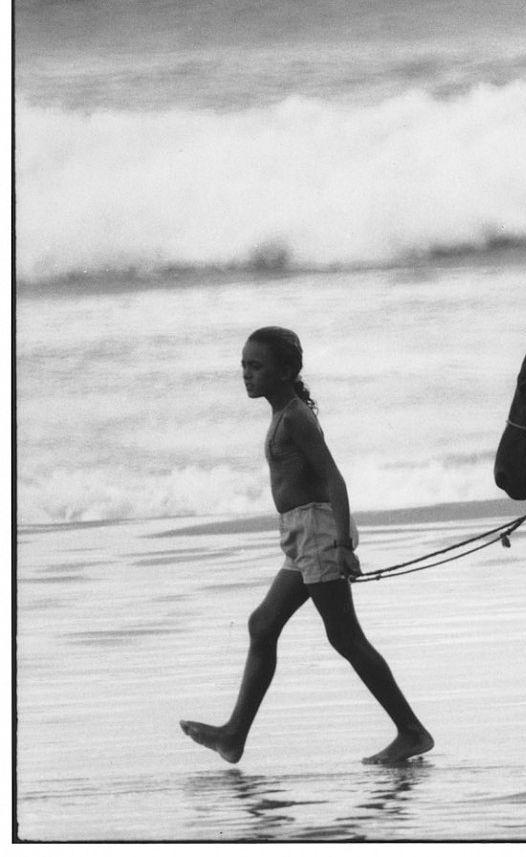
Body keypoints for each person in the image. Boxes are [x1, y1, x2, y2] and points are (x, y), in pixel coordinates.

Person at [180, 326, 433, 766]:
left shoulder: (295, 417)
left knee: (345, 636)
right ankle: (234, 735)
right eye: (243, 365)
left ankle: (411, 731)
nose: (246, 374)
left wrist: (342, 544)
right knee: (263, 624)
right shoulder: (281, 413)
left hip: (317, 534)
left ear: (286, 372)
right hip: (301, 535)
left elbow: (333, 478)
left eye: (256, 366)